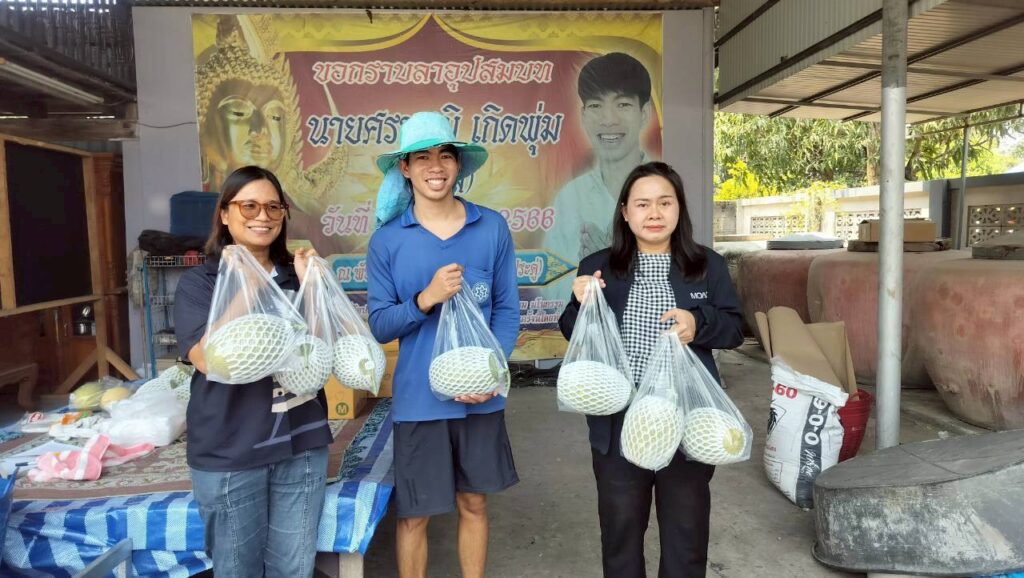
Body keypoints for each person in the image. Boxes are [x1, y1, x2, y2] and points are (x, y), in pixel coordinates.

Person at [558, 161, 743, 578]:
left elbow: (735, 328)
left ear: (679, 208)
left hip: (686, 418)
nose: (654, 213)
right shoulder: (599, 265)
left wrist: (698, 323)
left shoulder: (707, 265)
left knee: (686, 536)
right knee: (620, 533)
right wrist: (580, 303)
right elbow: (573, 332)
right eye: (642, 204)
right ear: (625, 212)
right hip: (618, 422)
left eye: (665, 202)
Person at [366, 111, 520, 578]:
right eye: (422, 157)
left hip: (481, 399)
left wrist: (490, 373)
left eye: (446, 155)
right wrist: (425, 299)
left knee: (474, 502)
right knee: (414, 514)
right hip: (419, 401)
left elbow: (507, 311)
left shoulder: (491, 227)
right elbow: (380, 325)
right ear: (405, 168)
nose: (436, 166)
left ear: (458, 165)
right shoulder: (388, 241)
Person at [173, 165, 331, 578]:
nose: (263, 216)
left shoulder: (297, 275)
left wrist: (313, 289)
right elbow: (207, 359)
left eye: (273, 207)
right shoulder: (201, 282)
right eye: (249, 206)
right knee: (237, 569)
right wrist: (248, 286)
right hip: (231, 450)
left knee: (293, 569)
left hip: (301, 443)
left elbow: (320, 355)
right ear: (225, 214)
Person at [546, 52, 656, 266]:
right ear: (583, 115)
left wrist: (615, 261)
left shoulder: (664, 193)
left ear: (644, 113)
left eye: (623, 104)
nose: (608, 120)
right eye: (596, 106)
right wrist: (589, 266)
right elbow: (553, 281)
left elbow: (678, 270)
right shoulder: (569, 198)